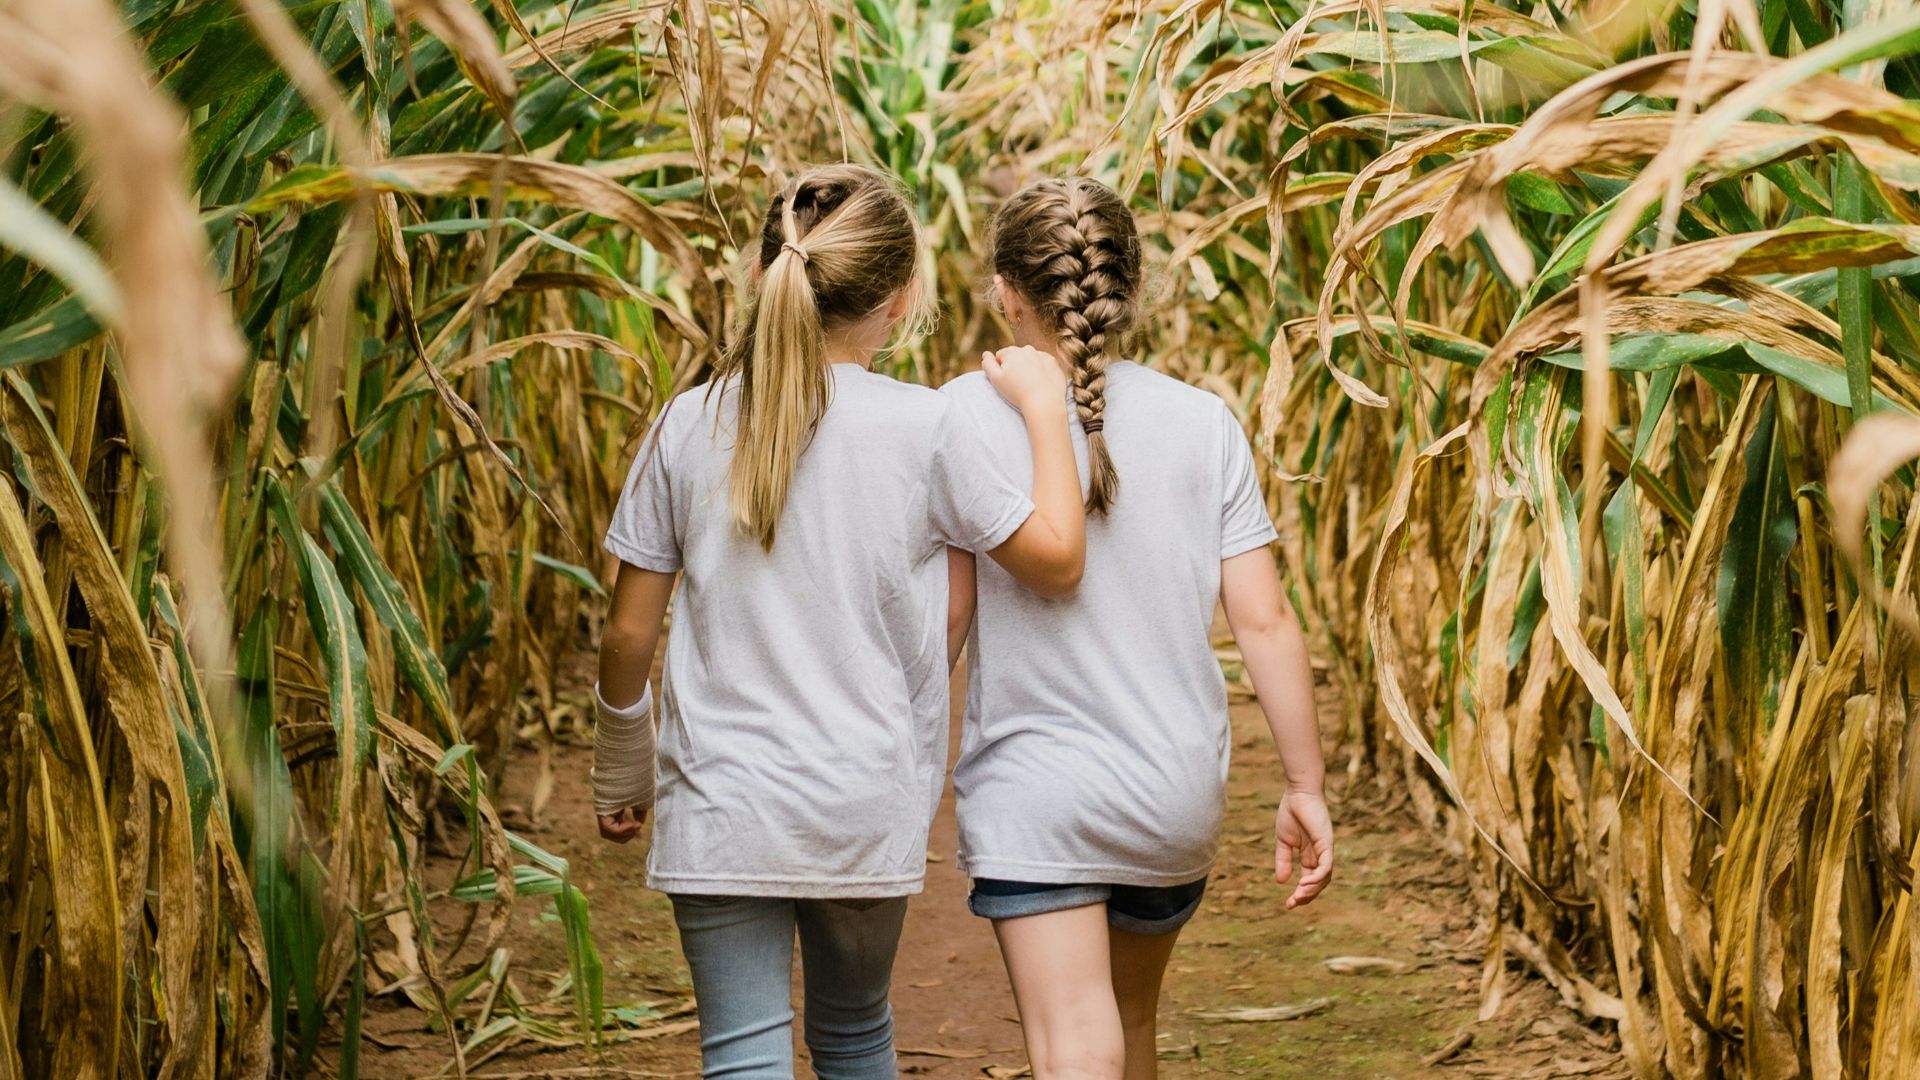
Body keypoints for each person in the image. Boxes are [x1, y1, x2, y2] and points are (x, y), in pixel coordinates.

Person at [590, 164, 1086, 1080]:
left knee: (742, 1055)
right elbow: (1056, 559)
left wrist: (623, 760)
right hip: (859, 797)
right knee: (854, 1035)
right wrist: (1049, 410)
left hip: (719, 802)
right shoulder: (927, 428)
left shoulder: (686, 424)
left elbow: (628, 635)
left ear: (760, 276)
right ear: (900, 300)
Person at [943, 177, 1336, 1080]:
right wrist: (1304, 782)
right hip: (1171, 791)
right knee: (1130, 1028)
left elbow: (948, 616)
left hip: (1035, 791)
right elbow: (1266, 621)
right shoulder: (1205, 424)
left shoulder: (964, 413)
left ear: (1005, 291)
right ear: (1130, 288)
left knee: (1075, 1047)